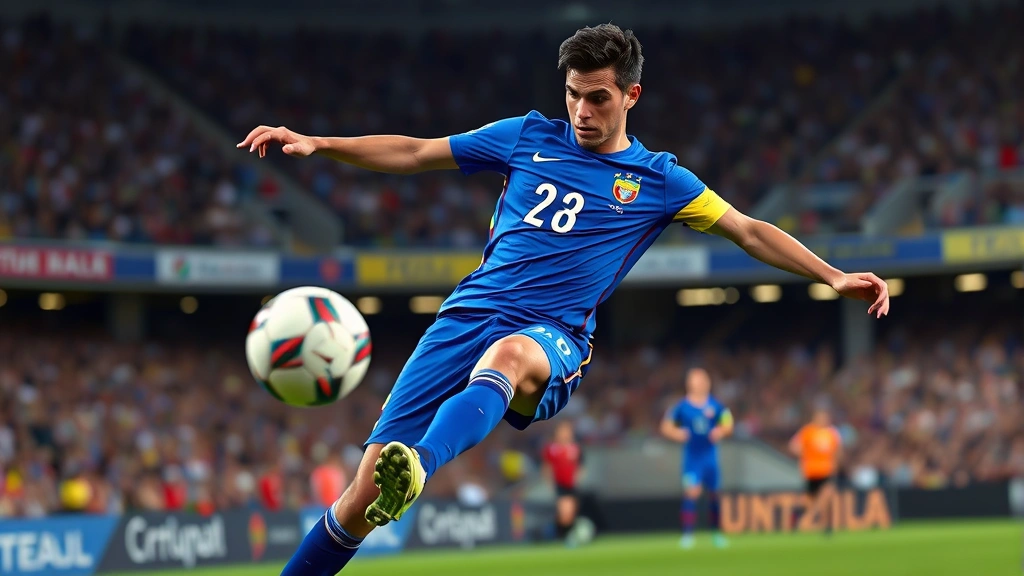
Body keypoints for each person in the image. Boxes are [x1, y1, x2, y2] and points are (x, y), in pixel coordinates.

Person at [238, 23, 890, 575]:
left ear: (631, 95)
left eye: (599, 98)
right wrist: (320, 142)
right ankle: (379, 492)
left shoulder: (661, 180)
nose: (583, 111)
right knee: (357, 499)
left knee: (512, 355)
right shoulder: (525, 136)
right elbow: (414, 152)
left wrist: (831, 275)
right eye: (574, 95)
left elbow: (748, 230)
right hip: (462, 317)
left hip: (552, 335)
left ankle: (421, 466)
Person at [660, 368, 732, 549]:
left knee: (714, 495)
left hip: (710, 457)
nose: (698, 383)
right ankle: (687, 534)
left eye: (701, 380)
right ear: (689, 384)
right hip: (692, 458)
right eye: (694, 380)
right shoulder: (681, 407)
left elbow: (728, 423)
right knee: (691, 493)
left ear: (707, 383)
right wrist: (678, 433)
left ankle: (716, 533)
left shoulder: (716, 406)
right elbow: (665, 426)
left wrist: (721, 431)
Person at [789, 407, 842, 534]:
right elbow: (794, 446)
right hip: (811, 471)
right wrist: (804, 455)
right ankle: (798, 513)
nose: (824, 419)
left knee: (827, 495)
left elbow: (838, 450)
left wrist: (835, 464)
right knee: (809, 500)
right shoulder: (807, 431)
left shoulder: (832, 432)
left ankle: (824, 525)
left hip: (826, 471)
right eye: (821, 417)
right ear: (815, 418)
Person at [541, 421, 585, 543]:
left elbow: (581, 465)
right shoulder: (552, 449)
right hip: (560, 485)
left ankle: (567, 536)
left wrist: (577, 478)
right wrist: (549, 482)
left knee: (570, 514)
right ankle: (562, 536)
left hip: (571, 485)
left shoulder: (575, 448)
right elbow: (547, 466)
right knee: (564, 512)